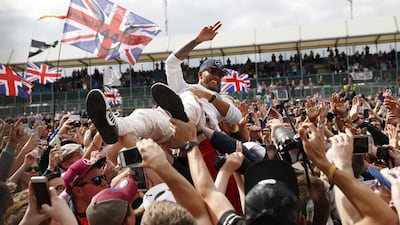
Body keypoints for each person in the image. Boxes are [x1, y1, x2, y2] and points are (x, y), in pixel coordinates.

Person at [165, 21, 242, 131]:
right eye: (213, 72)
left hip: (205, 133)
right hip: (180, 134)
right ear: (200, 74)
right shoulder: (183, 88)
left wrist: (208, 96)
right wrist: (197, 41)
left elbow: (236, 117)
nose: (217, 77)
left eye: (220, 75)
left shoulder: (222, 98)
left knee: (191, 102)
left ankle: (185, 117)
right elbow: (171, 63)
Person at [62, 157, 108, 225]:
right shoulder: (65, 221)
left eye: (103, 177)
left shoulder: (116, 206)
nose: (104, 183)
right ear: (78, 191)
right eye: (97, 180)